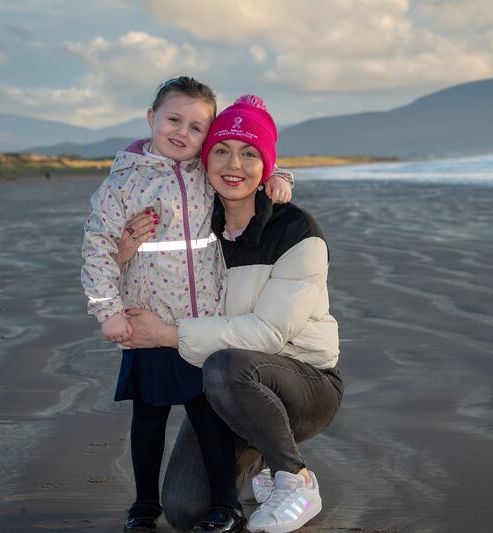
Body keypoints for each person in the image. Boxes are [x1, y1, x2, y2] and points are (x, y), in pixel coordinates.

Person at [119, 94, 343, 533]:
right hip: (229, 391)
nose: (233, 163)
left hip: (303, 385)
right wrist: (126, 254)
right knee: (186, 511)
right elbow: (148, 267)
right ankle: (256, 463)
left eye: (249, 153)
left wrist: (166, 335)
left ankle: (294, 479)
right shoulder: (195, 224)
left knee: (225, 364)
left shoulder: (297, 232)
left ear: (267, 166)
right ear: (205, 160)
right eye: (221, 150)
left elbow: (268, 335)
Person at [80, 77, 294, 533]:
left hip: (204, 325)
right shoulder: (122, 184)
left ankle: (225, 503)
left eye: (197, 127)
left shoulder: (205, 171)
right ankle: (142, 506)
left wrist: (278, 176)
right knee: (149, 420)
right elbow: (98, 247)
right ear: (150, 118)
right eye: (173, 119)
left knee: (208, 419)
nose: (182, 132)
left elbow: (248, 163)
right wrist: (107, 312)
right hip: (147, 321)